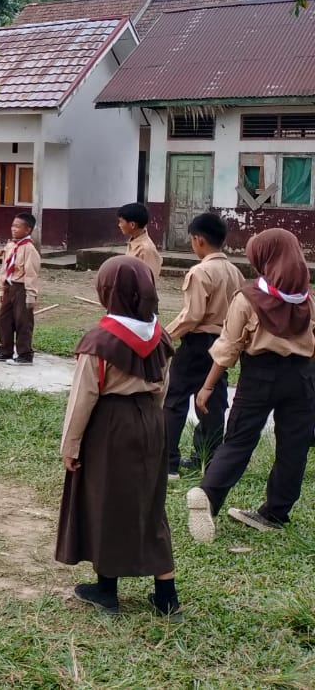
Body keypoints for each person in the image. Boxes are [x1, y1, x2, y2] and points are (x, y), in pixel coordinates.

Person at [56, 256, 180, 617]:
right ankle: (167, 595)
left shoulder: (100, 340)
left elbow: (83, 398)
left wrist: (70, 446)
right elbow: (163, 387)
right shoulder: (160, 336)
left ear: (107, 292)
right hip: (152, 421)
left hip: (111, 425)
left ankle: (106, 590)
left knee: (105, 501)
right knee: (151, 503)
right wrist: (150, 420)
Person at [185, 228, 315, 542]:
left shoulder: (248, 298)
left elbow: (228, 347)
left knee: (239, 441)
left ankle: (208, 496)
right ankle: (275, 513)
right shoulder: (307, 300)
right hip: (301, 378)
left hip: (259, 377)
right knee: (294, 448)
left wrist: (207, 387)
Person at [164, 213, 243, 478]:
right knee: (213, 401)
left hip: (198, 343)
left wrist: (165, 335)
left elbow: (192, 315)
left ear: (198, 240)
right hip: (223, 343)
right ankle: (207, 460)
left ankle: (168, 462)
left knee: (174, 399)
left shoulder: (200, 272)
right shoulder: (235, 272)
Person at [0, 213, 41, 365]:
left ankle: (25, 354)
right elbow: (4, 269)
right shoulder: (10, 246)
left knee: (22, 322)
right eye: (13, 225)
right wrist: (1, 289)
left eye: (18, 227)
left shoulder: (29, 249)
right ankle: (5, 350)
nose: (13, 229)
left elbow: (31, 274)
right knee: (2, 320)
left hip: (22, 289)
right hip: (9, 287)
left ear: (28, 230)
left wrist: (31, 295)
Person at [119, 202, 162, 280]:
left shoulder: (146, 249)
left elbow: (149, 280)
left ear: (132, 225)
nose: (119, 225)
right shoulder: (133, 241)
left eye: (121, 222)